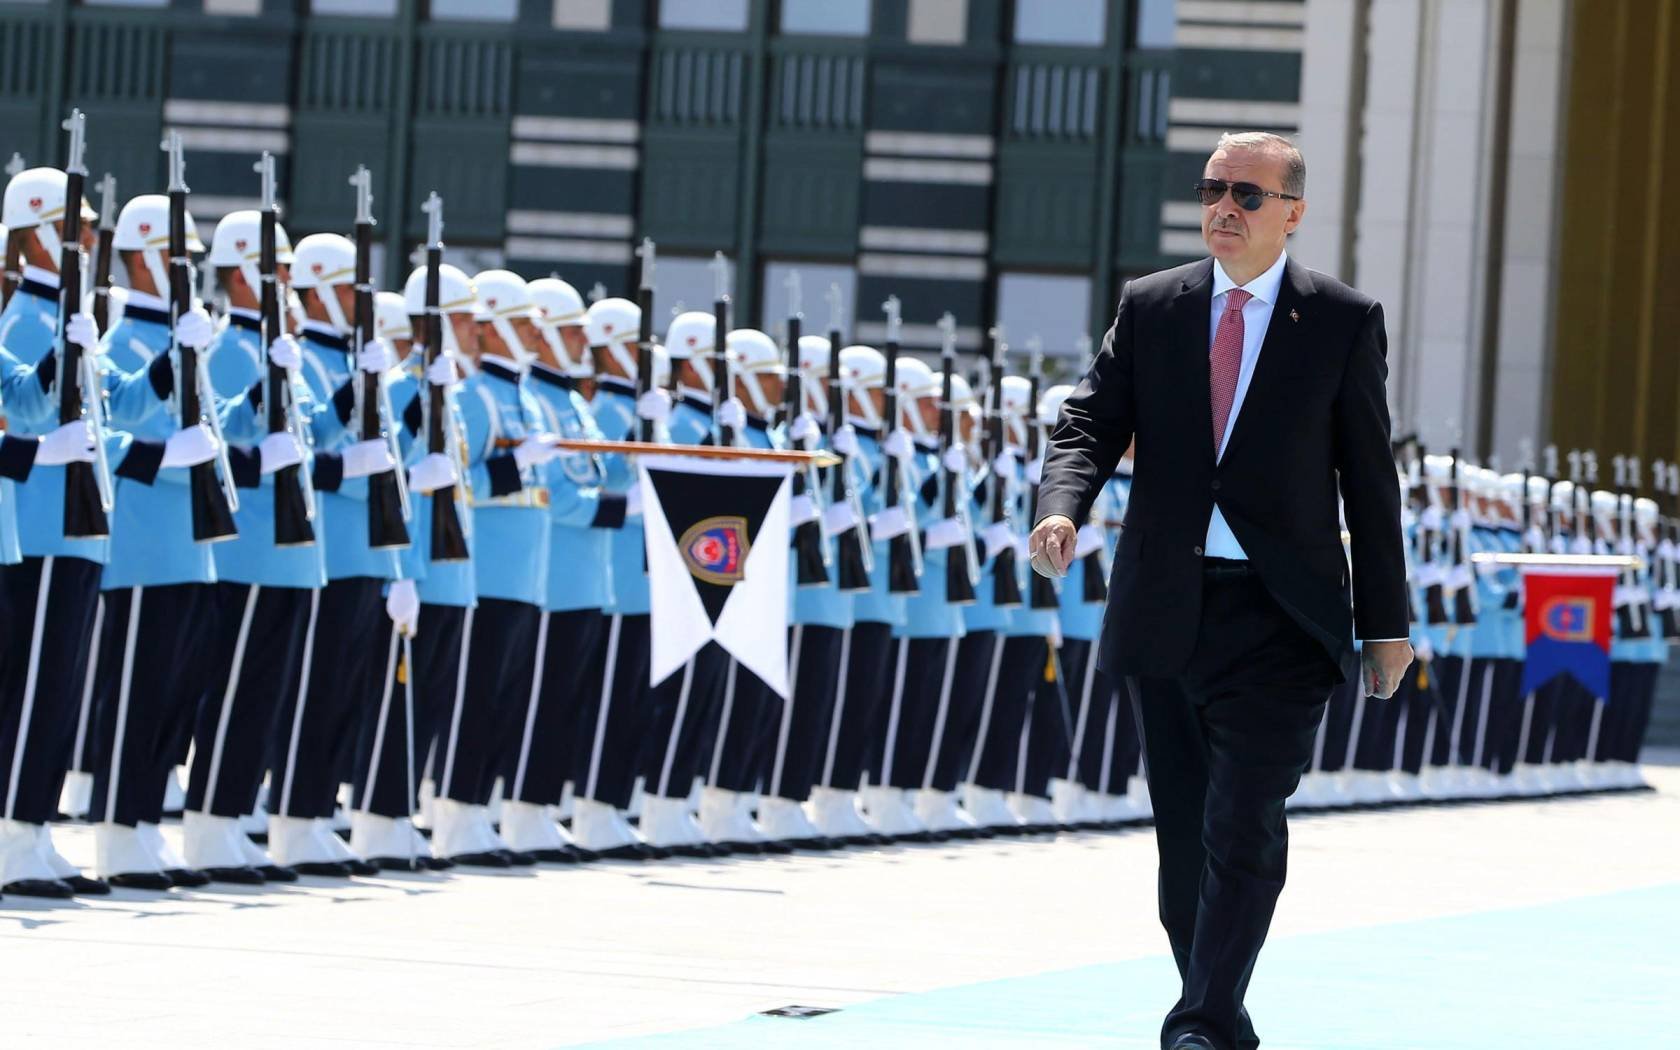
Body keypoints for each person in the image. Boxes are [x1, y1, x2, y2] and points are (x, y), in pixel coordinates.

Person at [1028, 131, 1411, 1050]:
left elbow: (1369, 478)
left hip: (1283, 617)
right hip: (1169, 605)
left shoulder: (1341, 319)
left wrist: (1384, 625)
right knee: (1181, 845)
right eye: (1211, 190)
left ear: (1292, 213)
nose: (1223, 208)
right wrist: (1063, 507)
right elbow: (1089, 421)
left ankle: (1196, 1025)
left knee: (1244, 824)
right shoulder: (1153, 306)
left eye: (1246, 193)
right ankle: (1222, 1023)